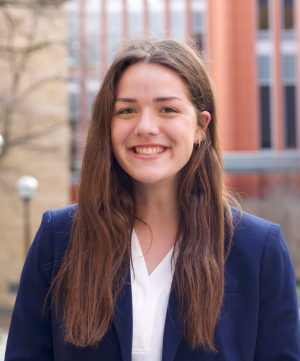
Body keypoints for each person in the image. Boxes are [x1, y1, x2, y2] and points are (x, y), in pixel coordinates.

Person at [5, 38, 300, 361]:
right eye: (127, 110)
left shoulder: (258, 248)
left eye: (167, 109)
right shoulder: (58, 238)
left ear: (201, 126)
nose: (145, 127)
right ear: (108, 126)